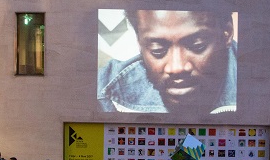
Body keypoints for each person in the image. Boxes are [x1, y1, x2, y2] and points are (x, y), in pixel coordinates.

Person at [97, 10, 237, 114]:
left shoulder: (257, 86)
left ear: (227, 34)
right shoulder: (106, 93)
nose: (176, 67)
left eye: (197, 46)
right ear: (139, 43)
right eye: (157, 50)